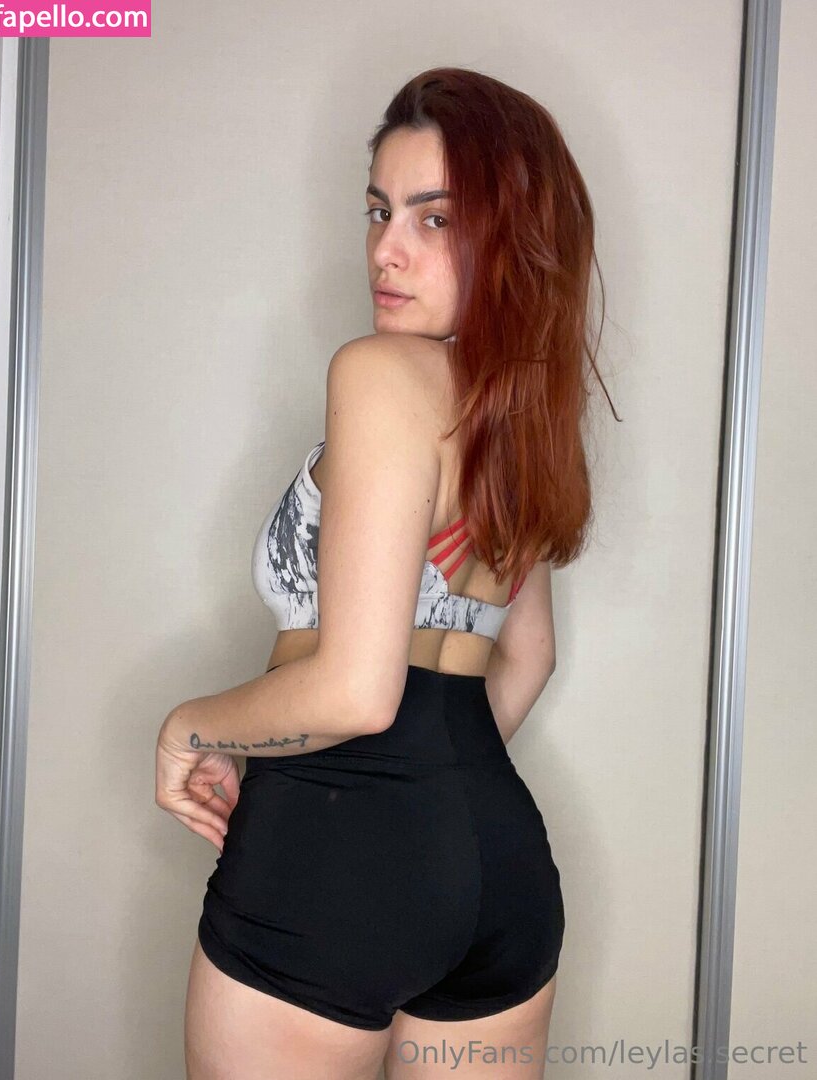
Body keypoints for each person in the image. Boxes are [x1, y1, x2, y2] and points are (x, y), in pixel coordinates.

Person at [156, 66, 616, 1080]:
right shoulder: (522, 417)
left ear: (511, 237)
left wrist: (191, 728)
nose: (384, 249)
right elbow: (528, 660)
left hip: (328, 864)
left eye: (433, 218)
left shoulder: (377, 373)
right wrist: (429, 807)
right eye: (378, 210)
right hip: (501, 865)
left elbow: (355, 694)